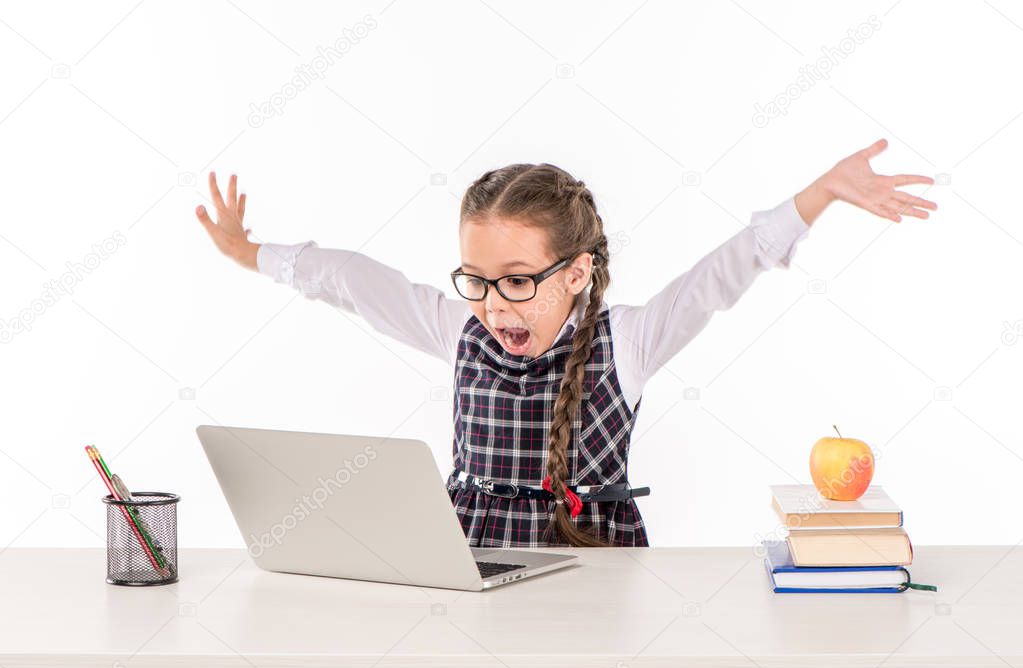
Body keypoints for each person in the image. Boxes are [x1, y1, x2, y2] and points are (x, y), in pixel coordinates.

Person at [195, 138, 936, 547]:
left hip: (597, 579)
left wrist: (821, 192)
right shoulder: (459, 329)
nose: (491, 304)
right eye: (476, 280)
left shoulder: (628, 341)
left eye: (516, 280)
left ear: (576, 272)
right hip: (472, 565)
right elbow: (353, 279)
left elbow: (725, 269)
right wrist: (249, 252)